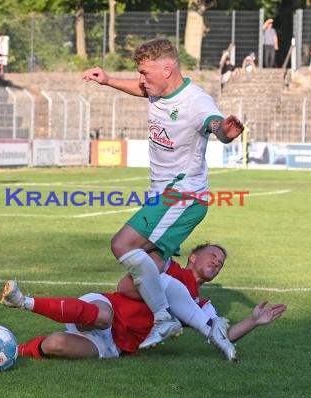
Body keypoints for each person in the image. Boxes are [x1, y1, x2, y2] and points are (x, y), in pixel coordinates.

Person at [81, 39, 244, 349]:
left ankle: (163, 318)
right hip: (167, 197)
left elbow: (215, 123)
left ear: (167, 69)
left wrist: (225, 131)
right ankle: (211, 325)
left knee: (122, 244)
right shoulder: (157, 91)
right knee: (133, 283)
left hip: (181, 196)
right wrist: (108, 80)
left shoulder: (196, 101)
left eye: (145, 72)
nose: (142, 80)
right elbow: (142, 89)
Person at [0, 243, 287, 361]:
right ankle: (23, 301)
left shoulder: (201, 305)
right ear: (193, 257)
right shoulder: (167, 265)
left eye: (221, 262)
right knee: (102, 317)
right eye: (213, 255)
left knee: (55, 345)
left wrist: (253, 321)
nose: (217, 262)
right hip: (107, 309)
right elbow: (124, 284)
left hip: (116, 344)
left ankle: (12, 351)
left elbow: (219, 333)